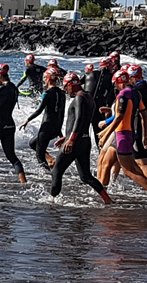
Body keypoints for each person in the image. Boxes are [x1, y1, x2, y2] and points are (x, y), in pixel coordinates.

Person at [97, 70, 147, 196]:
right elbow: (143, 113)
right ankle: (102, 193)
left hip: (123, 135)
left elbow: (119, 117)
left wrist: (105, 134)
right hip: (126, 133)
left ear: (119, 82)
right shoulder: (136, 93)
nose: (115, 86)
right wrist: (145, 135)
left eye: (115, 84)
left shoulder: (124, 93)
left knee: (129, 170)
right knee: (105, 163)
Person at [50, 72, 113, 203]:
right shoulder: (88, 97)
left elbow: (79, 119)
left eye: (66, 87)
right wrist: (67, 136)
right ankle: (107, 199)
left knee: (56, 171)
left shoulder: (79, 97)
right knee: (86, 176)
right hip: (84, 140)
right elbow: (83, 121)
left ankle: (52, 201)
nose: (66, 91)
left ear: (71, 85)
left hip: (75, 142)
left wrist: (71, 139)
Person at [21, 67, 65, 172]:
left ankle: (48, 174)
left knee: (39, 155)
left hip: (46, 127)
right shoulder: (62, 93)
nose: (43, 79)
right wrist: (59, 131)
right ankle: (50, 161)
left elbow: (39, 110)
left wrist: (27, 120)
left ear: (48, 79)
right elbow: (61, 113)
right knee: (33, 143)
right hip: (55, 128)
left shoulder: (47, 93)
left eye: (45, 77)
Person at [86, 57, 116, 147]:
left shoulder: (89, 74)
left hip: (86, 107)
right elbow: (111, 95)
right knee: (98, 133)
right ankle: (101, 153)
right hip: (100, 109)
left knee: (83, 134)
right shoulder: (111, 77)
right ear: (110, 66)